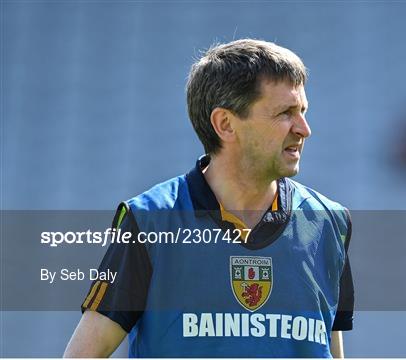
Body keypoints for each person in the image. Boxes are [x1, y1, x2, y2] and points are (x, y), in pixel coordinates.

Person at [64, 39, 354, 358]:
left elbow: (330, 351)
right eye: (285, 113)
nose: (304, 129)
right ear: (225, 124)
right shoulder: (151, 219)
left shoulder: (329, 223)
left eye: (303, 111)